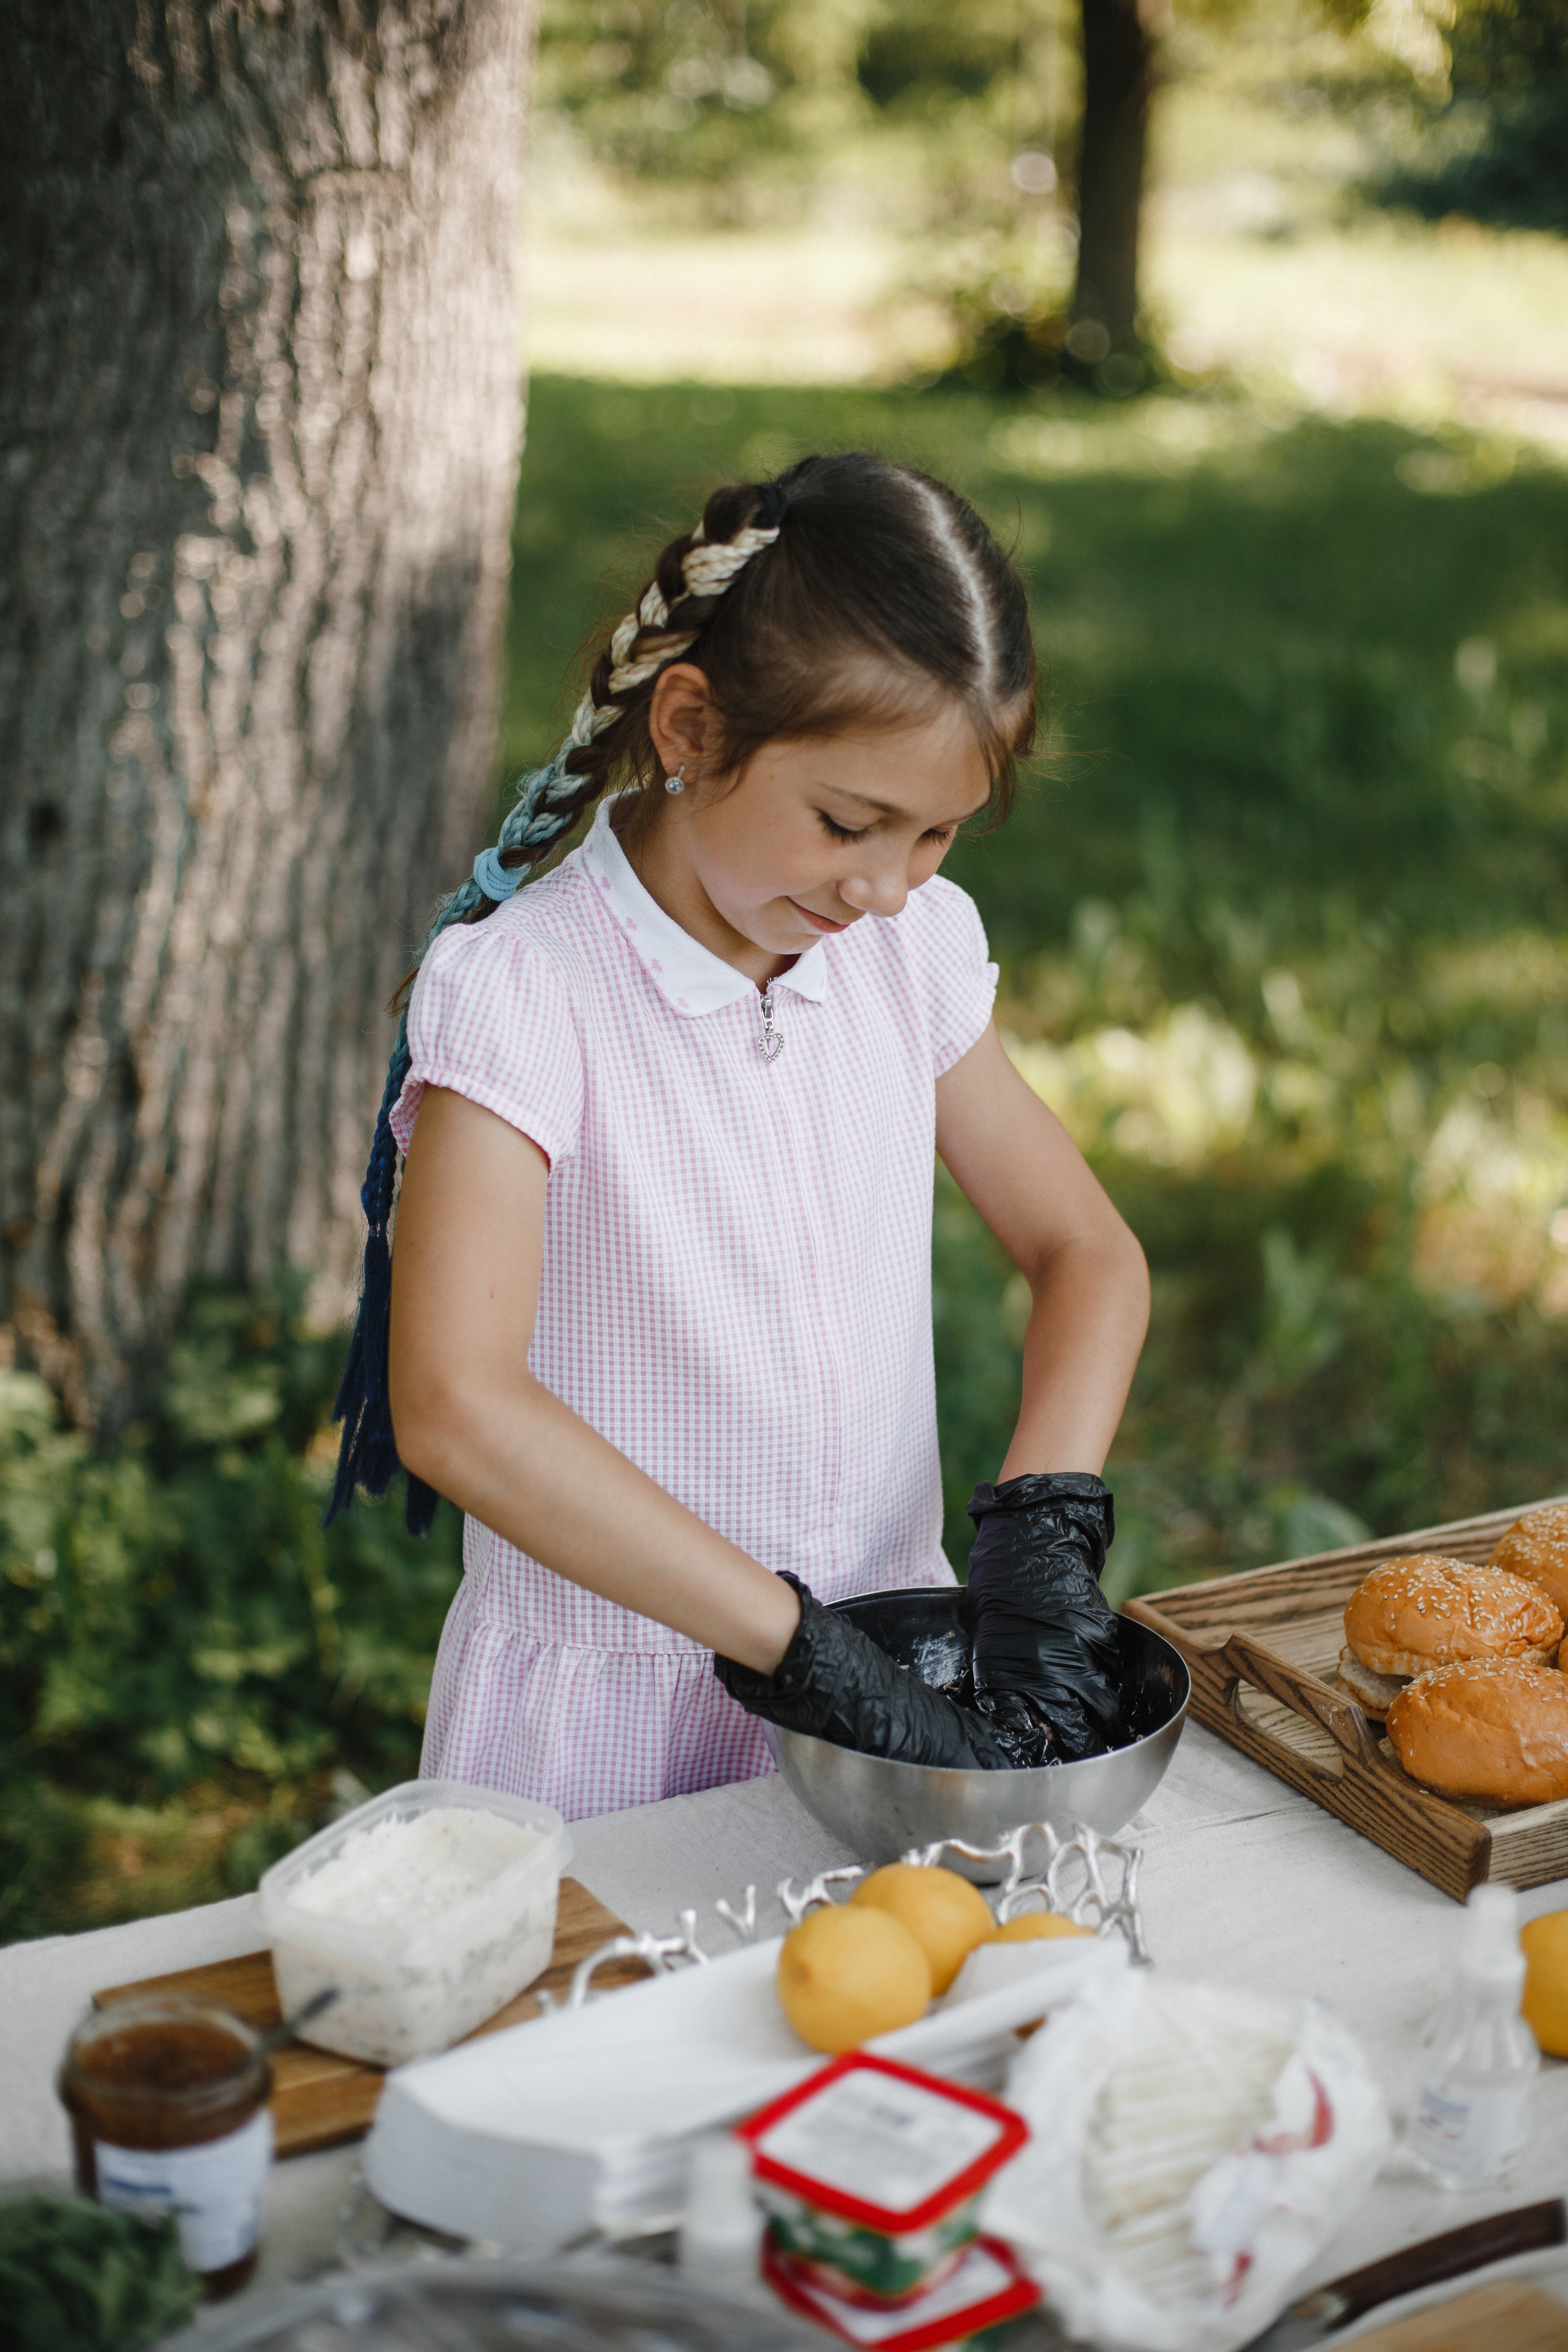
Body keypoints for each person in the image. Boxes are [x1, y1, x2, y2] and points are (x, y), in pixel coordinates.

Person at [328, 453, 1150, 1820]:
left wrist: (1041, 1539)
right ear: (691, 725)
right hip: (616, 1717)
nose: (887, 887)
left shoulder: (903, 956)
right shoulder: (529, 993)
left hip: (900, 1678)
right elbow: (456, 1408)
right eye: (848, 823)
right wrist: (791, 1644)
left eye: (936, 834)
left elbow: (1084, 1250)